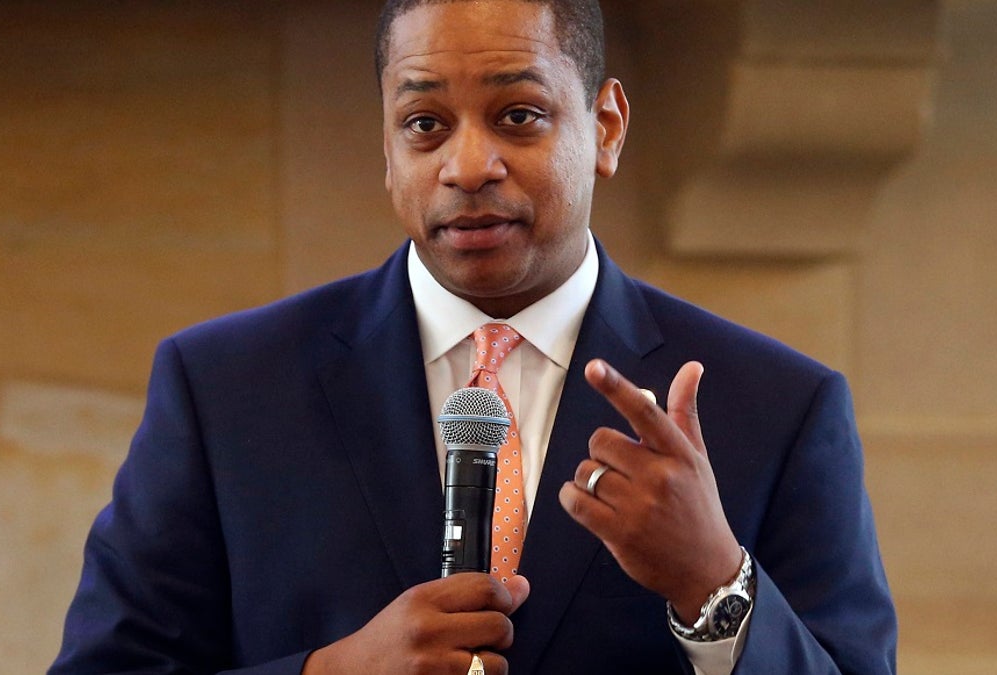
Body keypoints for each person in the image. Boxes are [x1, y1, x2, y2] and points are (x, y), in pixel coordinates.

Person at [51, 0, 897, 673]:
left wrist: (715, 584)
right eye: (424, 124)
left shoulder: (779, 407)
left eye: (519, 115)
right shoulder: (224, 389)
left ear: (605, 128)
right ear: (387, 147)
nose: (466, 165)